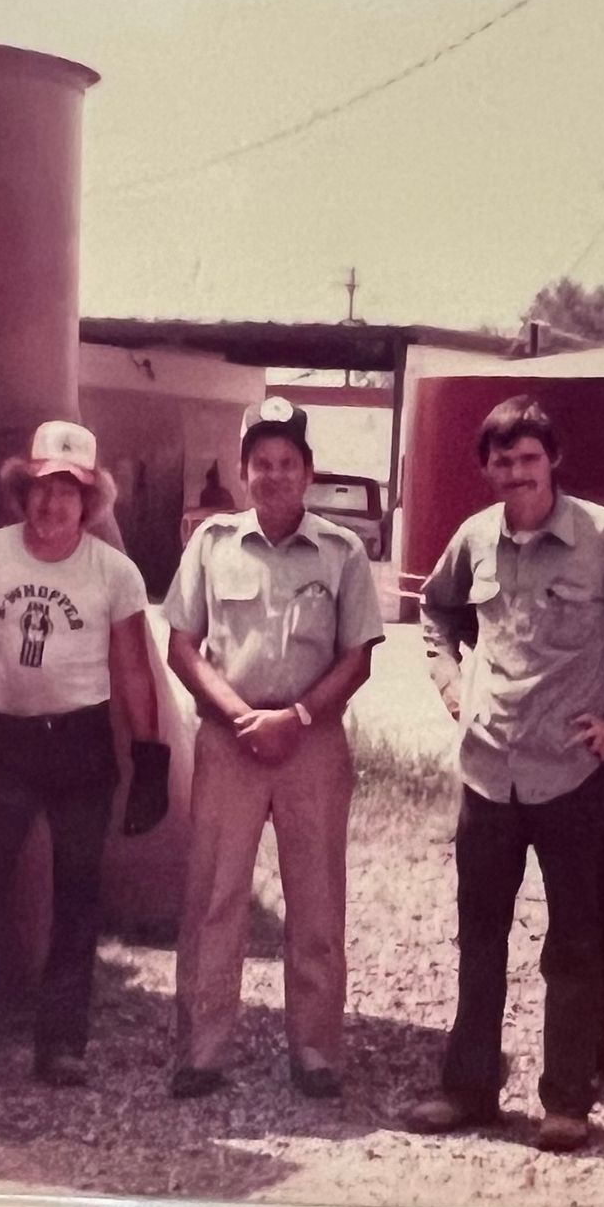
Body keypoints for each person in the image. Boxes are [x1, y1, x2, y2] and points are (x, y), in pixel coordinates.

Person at [404, 394, 604, 1152]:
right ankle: (467, 1090)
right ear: (487, 468)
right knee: (479, 938)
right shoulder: (473, 539)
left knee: (571, 943)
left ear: (553, 460)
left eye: (529, 458)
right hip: (487, 774)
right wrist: (450, 684)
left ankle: (566, 1102)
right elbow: (433, 613)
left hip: (571, 776)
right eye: (502, 461)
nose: (516, 473)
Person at [0, 420, 172, 1099]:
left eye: (69, 491)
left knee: (77, 896)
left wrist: (150, 757)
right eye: (41, 488)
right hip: (6, 743)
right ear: (20, 491)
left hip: (81, 745)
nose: (53, 504)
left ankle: (60, 1044)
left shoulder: (114, 572)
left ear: (89, 502)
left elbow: (135, 668)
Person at [162, 398, 383, 1100]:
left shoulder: (342, 551)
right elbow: (182, 647)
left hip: (311, 742)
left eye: (288, 462)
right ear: (243, 469)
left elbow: (359, 656)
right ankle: (201, 1050)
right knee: (215, 897)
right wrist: (238, 715)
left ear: (309, 472)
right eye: (262, 462)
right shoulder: (213, 543)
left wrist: (295, 714)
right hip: (230, 743)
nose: (275, 474)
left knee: (316, 901)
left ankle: (316, 1051)